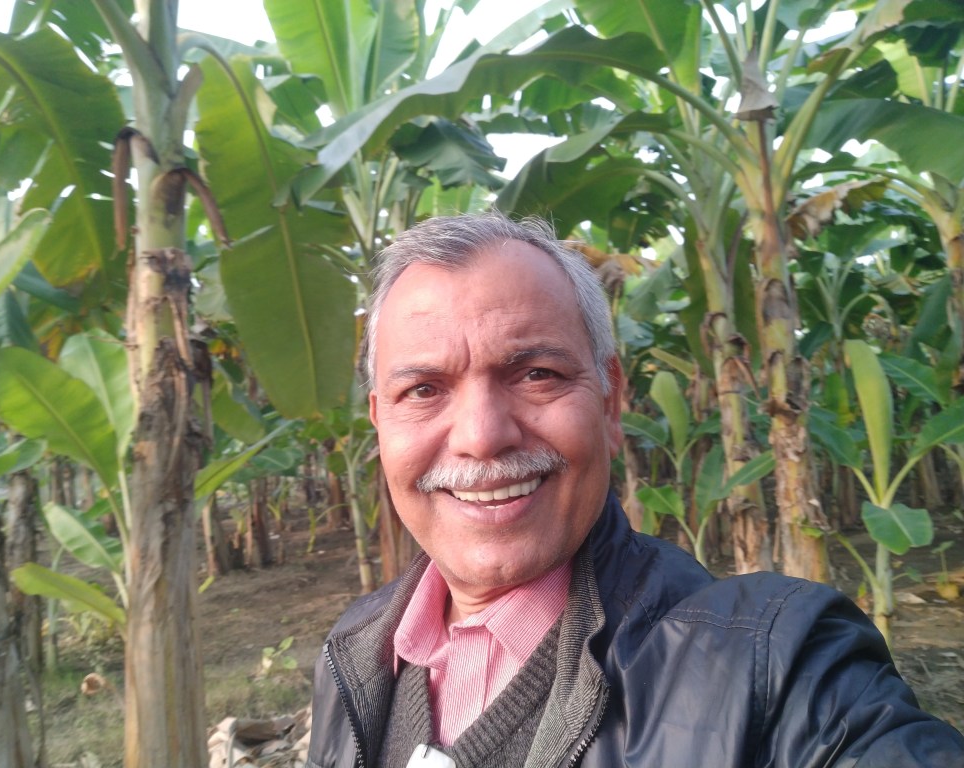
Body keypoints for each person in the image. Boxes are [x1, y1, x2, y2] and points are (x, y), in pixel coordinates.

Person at [306, 211, 964, 767]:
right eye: (423, 390)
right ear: (380, 422)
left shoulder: (774, 670)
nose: (482, 436)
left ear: (611, 401)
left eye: (537, 374)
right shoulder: (354, 653)